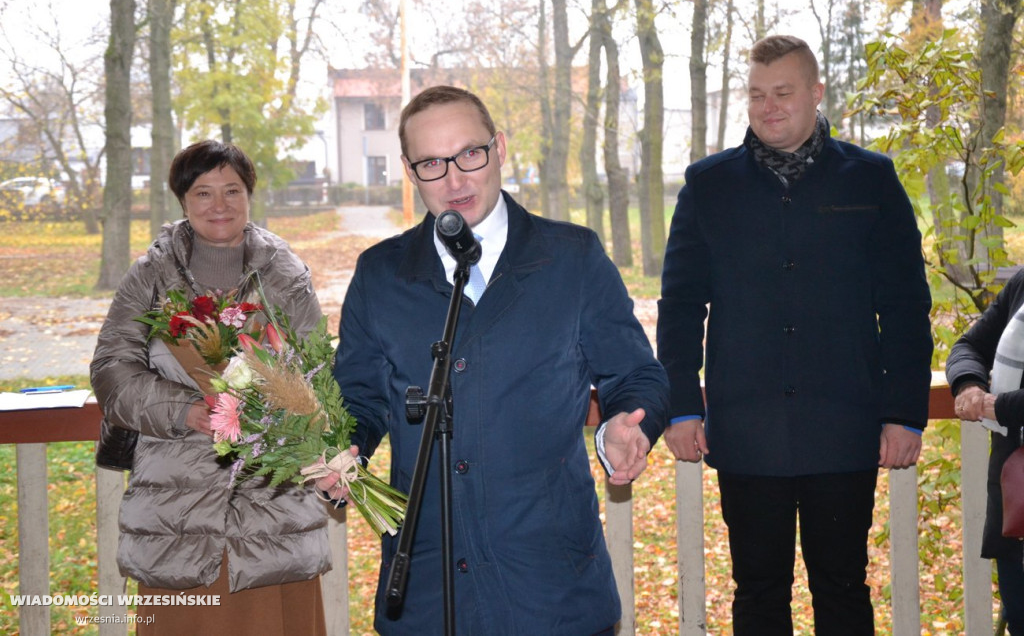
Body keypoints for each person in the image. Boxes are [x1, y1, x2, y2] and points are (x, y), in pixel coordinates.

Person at [325, 85, 669, 634]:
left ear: (499, 148)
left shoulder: (572, 257)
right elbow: (359, 398)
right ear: (411, 174)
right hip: (427, 592)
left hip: (551, 588)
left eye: (469, 154)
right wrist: (347, 447)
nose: (455, 180)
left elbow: (634, 373)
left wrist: (627, 429)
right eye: (432, 163)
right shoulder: (380, 275)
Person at [656, 35, 933, 634]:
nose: (768, 106)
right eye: (757, 94)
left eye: (783, 92)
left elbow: (906, 308)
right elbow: (679, 307)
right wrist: (680, 406)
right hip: (745, 431)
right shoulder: (709, 186)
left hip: (845, 428)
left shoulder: (871, 181)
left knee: (842, 590)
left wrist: (905, 414)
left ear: (816, 93)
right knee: (757, 594)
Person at [90, 140, 331, 635]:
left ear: (249, 196)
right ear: (183, 201)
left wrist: (276, 400)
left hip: (271, 501)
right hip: (175, 508)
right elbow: (112, 370)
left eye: (232, 191)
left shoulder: (285, 275)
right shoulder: (150, 276)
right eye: (203, 193)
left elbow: (318, 373)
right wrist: (188, 410)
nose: (219, 205)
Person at [946, 270, 1024, 634]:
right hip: (1016, 505)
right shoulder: (1023, 283)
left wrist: (1001, 406)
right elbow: (968, 346)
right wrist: (969, 385)